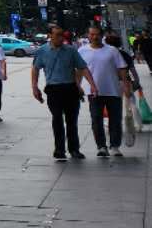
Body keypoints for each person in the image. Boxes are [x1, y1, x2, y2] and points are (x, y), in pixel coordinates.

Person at [32, 24, 97, 160]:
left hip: (70, 88)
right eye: (57, 35)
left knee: (72, 121)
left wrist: (92, 85)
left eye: (62, 35)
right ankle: (59, 149)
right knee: (57, 119)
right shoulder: (42, 51)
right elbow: (35, 68)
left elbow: (83, 67)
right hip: (53, 90)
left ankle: (74, 149)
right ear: (50, 36)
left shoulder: (71, 50)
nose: (61, 38)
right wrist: (34, 87)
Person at [79, 25, 130, 157]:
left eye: (97, 34)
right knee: (96, 119)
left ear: (102, 36)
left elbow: (122, 68)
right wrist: (77, 86)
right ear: (88, 36)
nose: (94, 37)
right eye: (92, 34)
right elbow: (78, 70)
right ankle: (101, 146)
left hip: (113, 90)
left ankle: (115, 146)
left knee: (115, 119)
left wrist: (126, 85)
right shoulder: (82, 51)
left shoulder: (112, 50)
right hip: (93, 92)